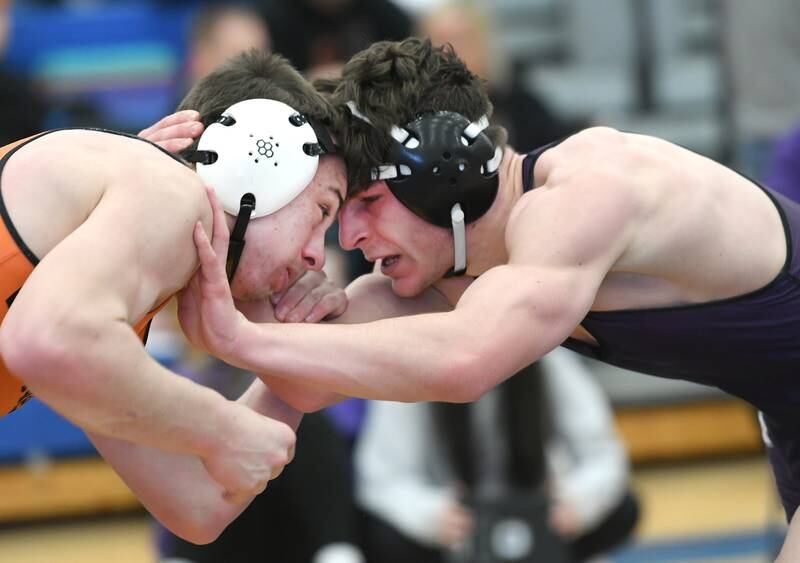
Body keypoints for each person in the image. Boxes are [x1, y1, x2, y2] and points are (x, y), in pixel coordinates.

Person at [181, 38, 800, 560]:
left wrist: (240, 336)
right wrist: (252, 276)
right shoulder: (459, 272)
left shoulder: (589, 192)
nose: (351, 237)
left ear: (443, 167)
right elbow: (304, 384)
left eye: (367, 204)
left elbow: (465, 363)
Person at [0, 49, 348, 544]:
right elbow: (42, 340)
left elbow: (198, 507)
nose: (317, 256)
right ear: (259, 159)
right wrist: (224, 429)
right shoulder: (173, 192)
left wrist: (293, 360)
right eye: (321, 212)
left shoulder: (119, 293)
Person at [355, 349, 638, 563]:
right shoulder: (416, 365)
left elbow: (604, 454)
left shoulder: (548, 356)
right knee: (383, 536)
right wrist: (431, 515)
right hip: (459, 526)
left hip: (540, 513)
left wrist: (577, 502)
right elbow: (381, 475)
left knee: (624, 509)